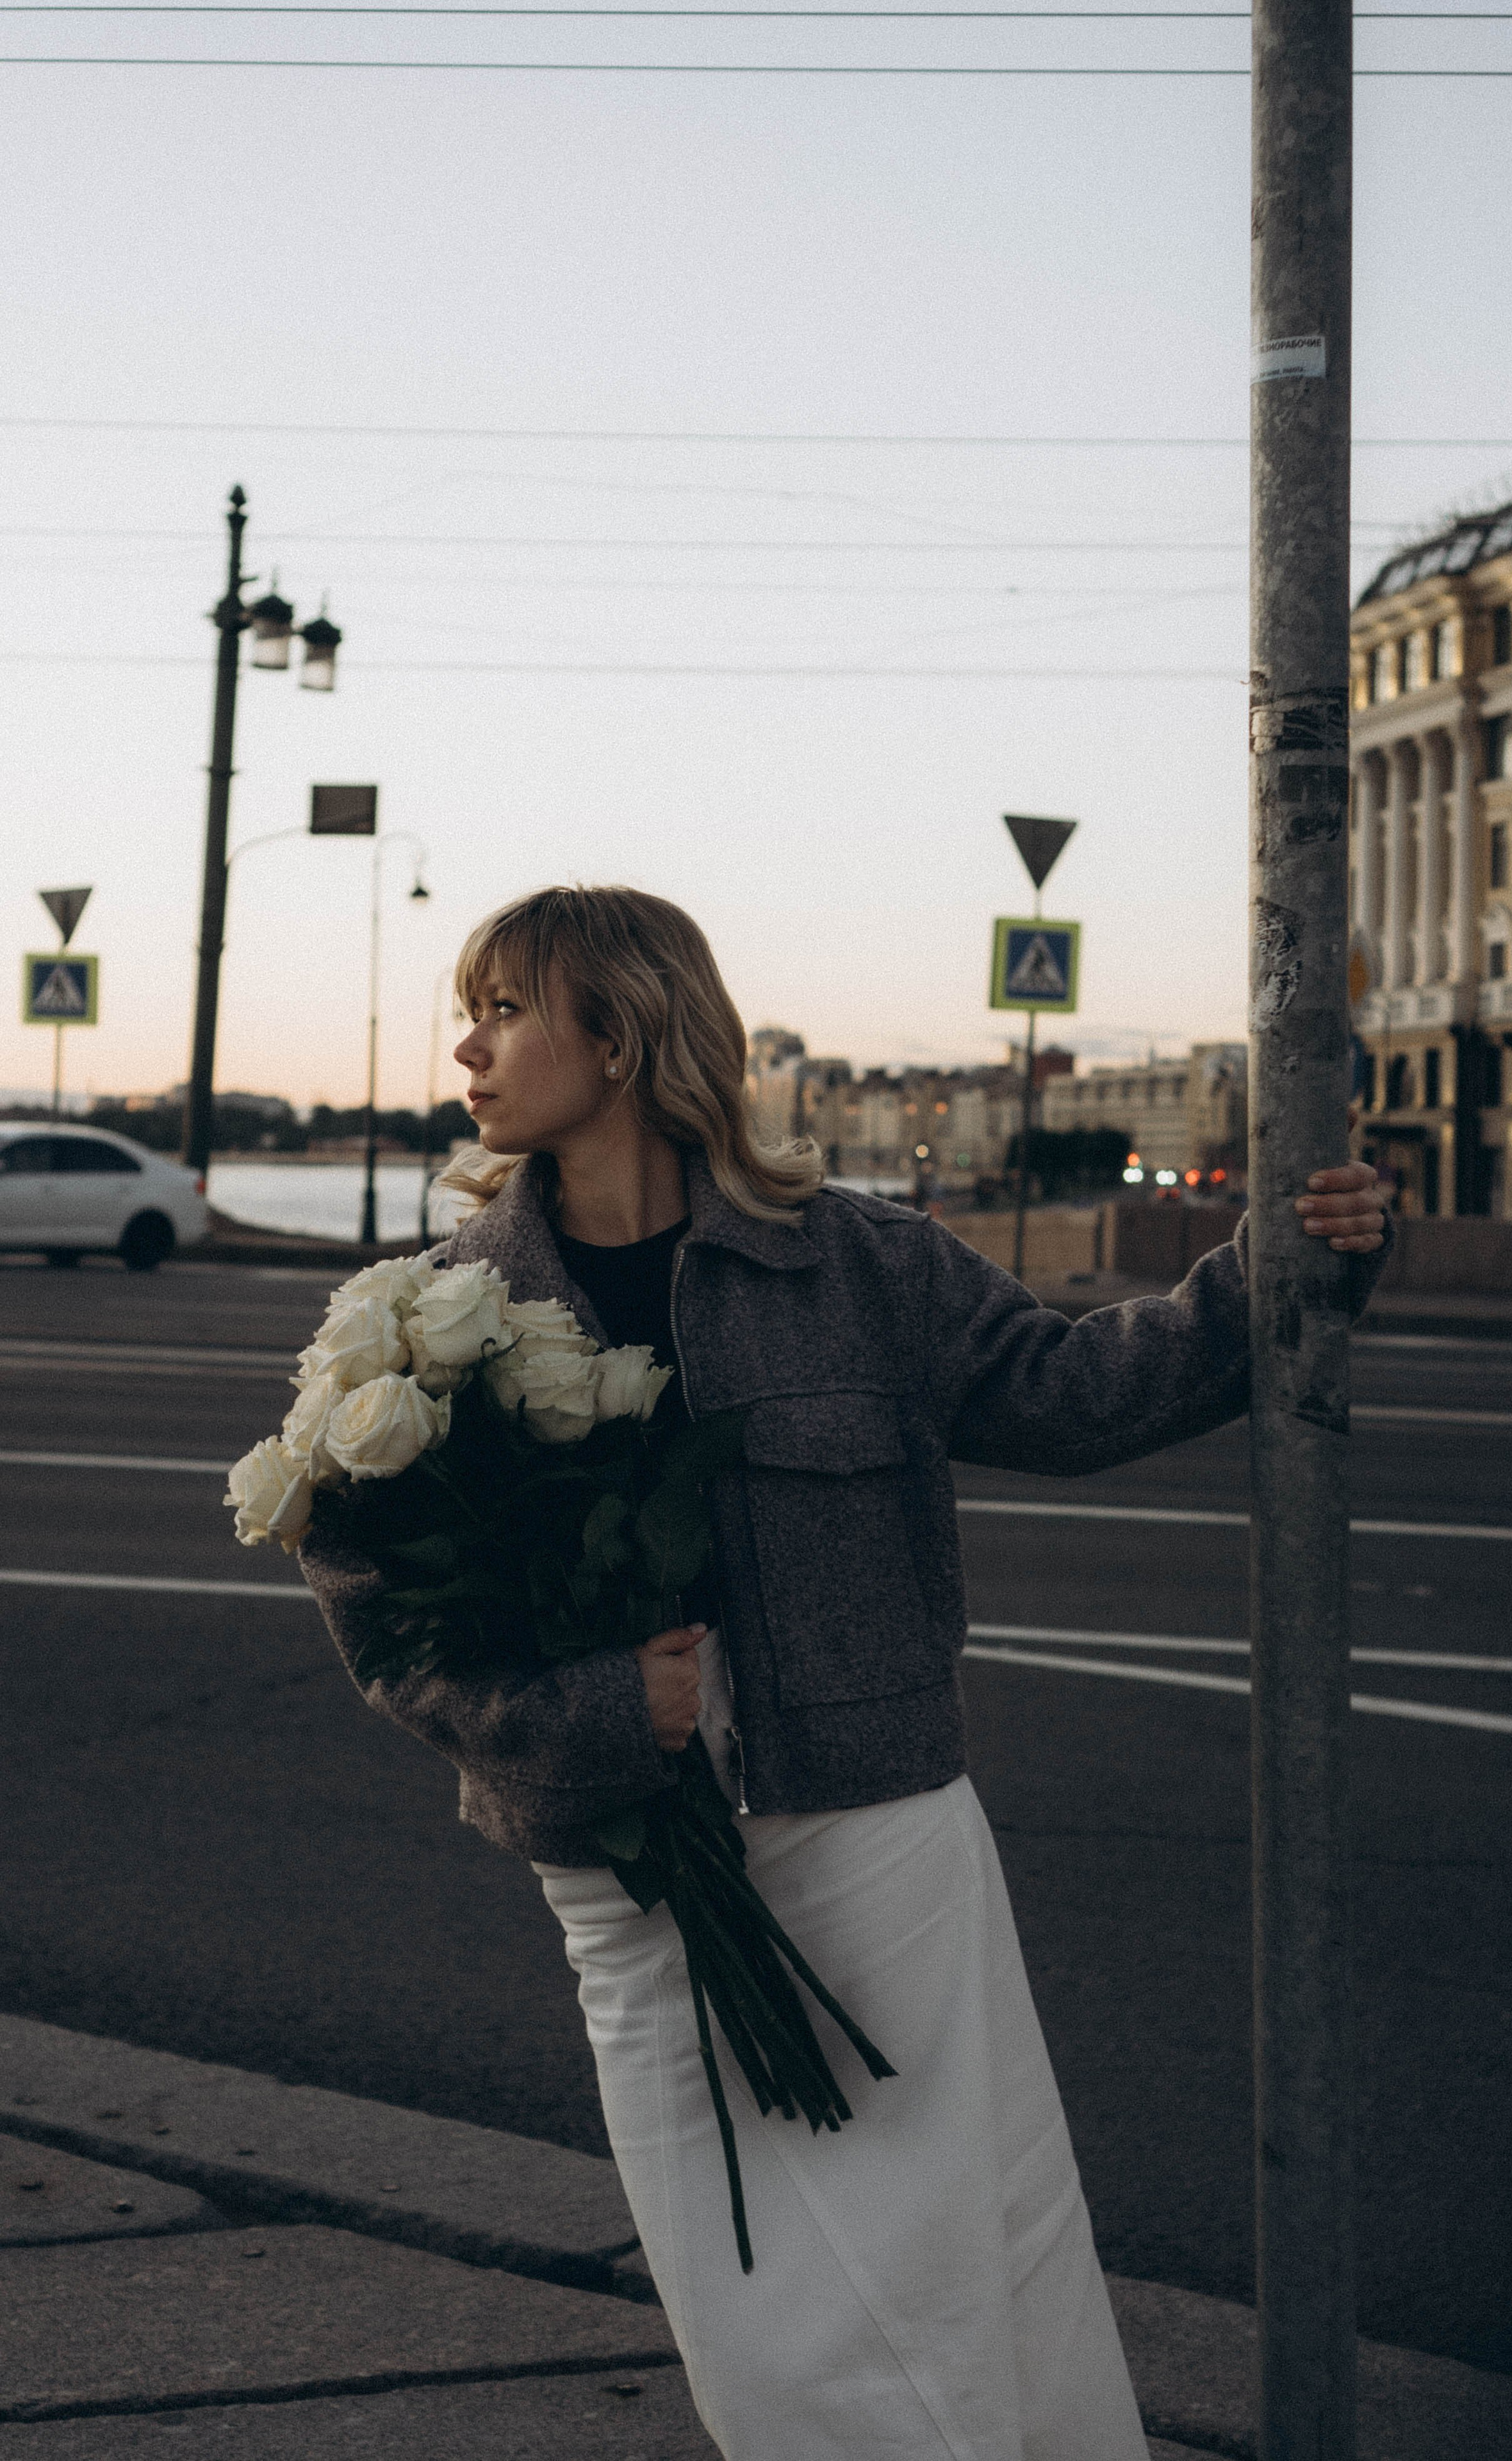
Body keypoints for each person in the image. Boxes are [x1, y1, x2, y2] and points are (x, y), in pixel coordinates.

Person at [299, 884, 1390, 2461]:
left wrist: (1282, 1267)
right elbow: (381, 1612)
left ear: (619, 1033)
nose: (464, 1046)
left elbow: (1075, 1395)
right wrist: (602, 1717)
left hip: (875, 1840)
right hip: (626, 1873)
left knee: (968, 2262)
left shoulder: (857, 1262)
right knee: (754, 2308)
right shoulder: (429, 1317)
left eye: (505, 1008)